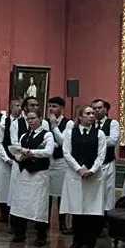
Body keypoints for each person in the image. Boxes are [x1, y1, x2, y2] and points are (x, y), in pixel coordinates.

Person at [61, 105, 106, 248]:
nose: (92, 116)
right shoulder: (70, 133)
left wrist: (92, 170)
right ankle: (77, 240)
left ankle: (90, 241)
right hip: (75, 175)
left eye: (93, 113)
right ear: (80, 116)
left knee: (90, 210)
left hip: (93, 177)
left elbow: (101, 155)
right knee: (77, 208)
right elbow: (67, 153)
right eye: (88, 113)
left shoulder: (99, 134)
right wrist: (79, 169)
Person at [8, 109, 54, 246]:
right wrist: (19, 155)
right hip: (24, 173)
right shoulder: (24, 136)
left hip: (39, 174)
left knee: (39, 204)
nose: (31, 121)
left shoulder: (47, 135)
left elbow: (48, 152)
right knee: (21, 203)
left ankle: (41, 234)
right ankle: (19, 232)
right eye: (28, 119)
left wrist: (31, 152)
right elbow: (17, 153)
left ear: (40, 119)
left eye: (33, 118)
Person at [0, 98, 24, 225]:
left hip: (21, 160)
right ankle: (3, 213)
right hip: (6, 159)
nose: (19, 108)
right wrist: (6, 159)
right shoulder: (3, 123)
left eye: (21, 106)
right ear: (11, 107)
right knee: (3, 188)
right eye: (17, 105)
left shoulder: (25, 123)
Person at [47, 97, 71, 234]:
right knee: (47, 193)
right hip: (48, 161)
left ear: (61, 108)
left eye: (54, 106)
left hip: (61, 162)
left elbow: (63, 141)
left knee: (62, 194)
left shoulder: (69, 123)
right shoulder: (44, 122)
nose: (51, 109)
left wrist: (55, 126)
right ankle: (46, 221)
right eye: (50, 106)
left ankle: (62, 222)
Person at [92, 98, 119, 214]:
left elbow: (113, 141)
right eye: (94, 108)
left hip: (107, 162)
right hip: (92, 163)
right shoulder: (88, 123)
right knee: (93, 190)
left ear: (105, 109)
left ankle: (107, 217)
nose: (97, 111)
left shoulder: (113, 123)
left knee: (107, 190)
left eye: (99, 108)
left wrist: (92, 140)